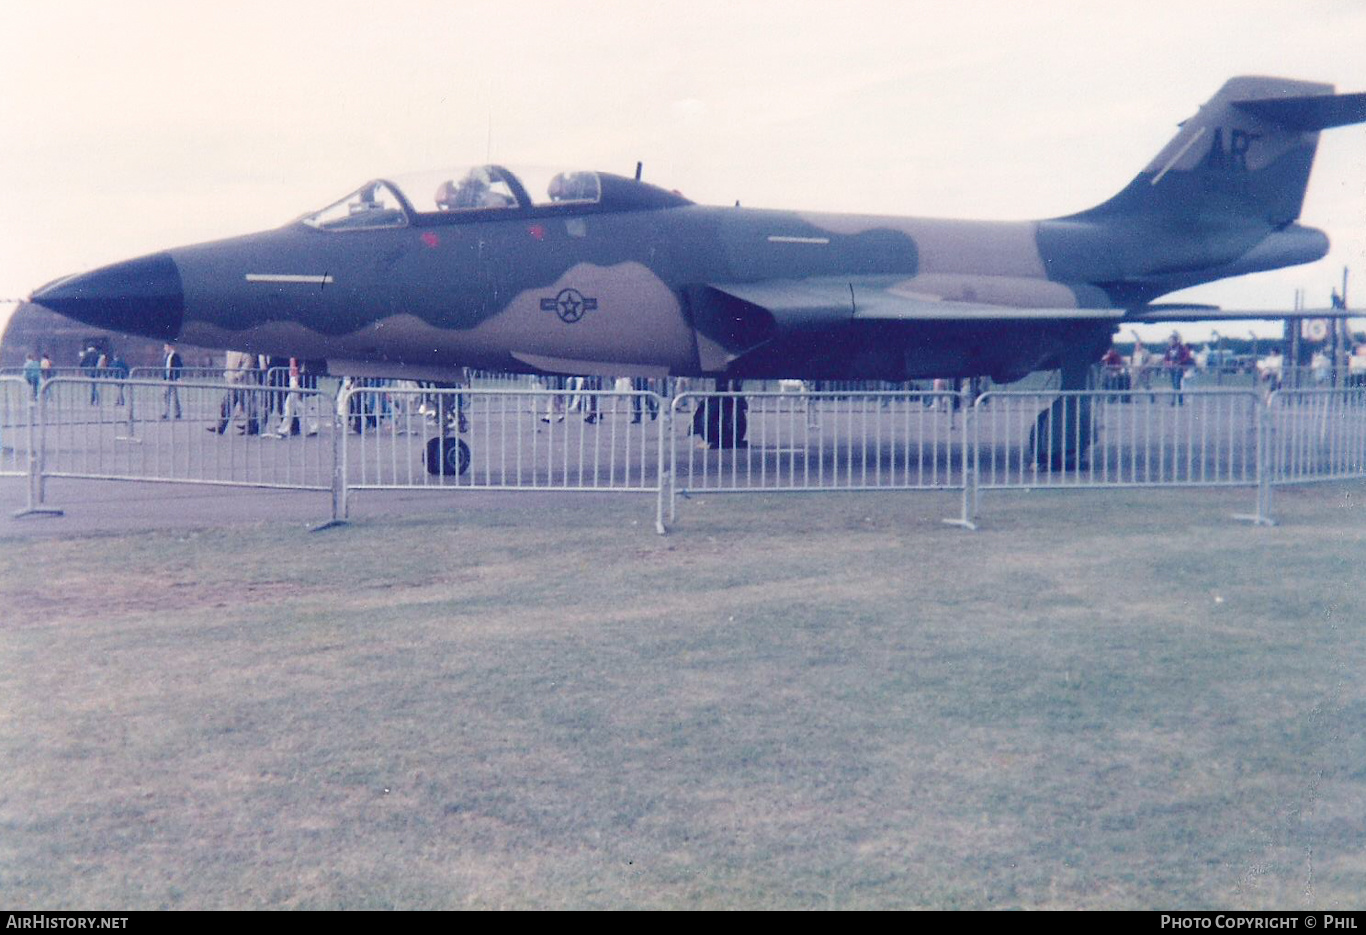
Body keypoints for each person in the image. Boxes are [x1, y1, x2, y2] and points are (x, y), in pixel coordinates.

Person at [208, 350, 261, 435]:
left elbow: (248, 363)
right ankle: (222, 425)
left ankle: (252, 425)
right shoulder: (230, 351)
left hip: (243, 382)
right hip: (233, 381)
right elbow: (229, 363)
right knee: (227, 403)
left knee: (248, 404)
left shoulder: (246, 351)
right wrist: (227, 374)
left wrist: (239, 375)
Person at [1163, 332, 1193, 405]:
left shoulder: (1181, 348)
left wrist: (1180, 362)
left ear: (1175, 341)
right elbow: (1165, 358)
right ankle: (1180, 400)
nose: (1170, 342)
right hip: (1172, 368)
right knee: (1175, 384)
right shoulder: (1168, 349)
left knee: (1177, 383)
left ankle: (1174, 400)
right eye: (1169, 341)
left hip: (1179, 368)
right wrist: (1168, 363)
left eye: (1172, 341)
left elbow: (1187, 356)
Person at [161, 343, 183, 419]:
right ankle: (166, 412)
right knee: (166, 395)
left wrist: (177, 377)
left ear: (170, 347)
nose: (165, 349)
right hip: (167, 378)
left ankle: (176, 412)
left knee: (173, 396)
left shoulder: (175, 356)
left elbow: (179, 366)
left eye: (166, 347)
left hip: (172, 378)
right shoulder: (166, 356)